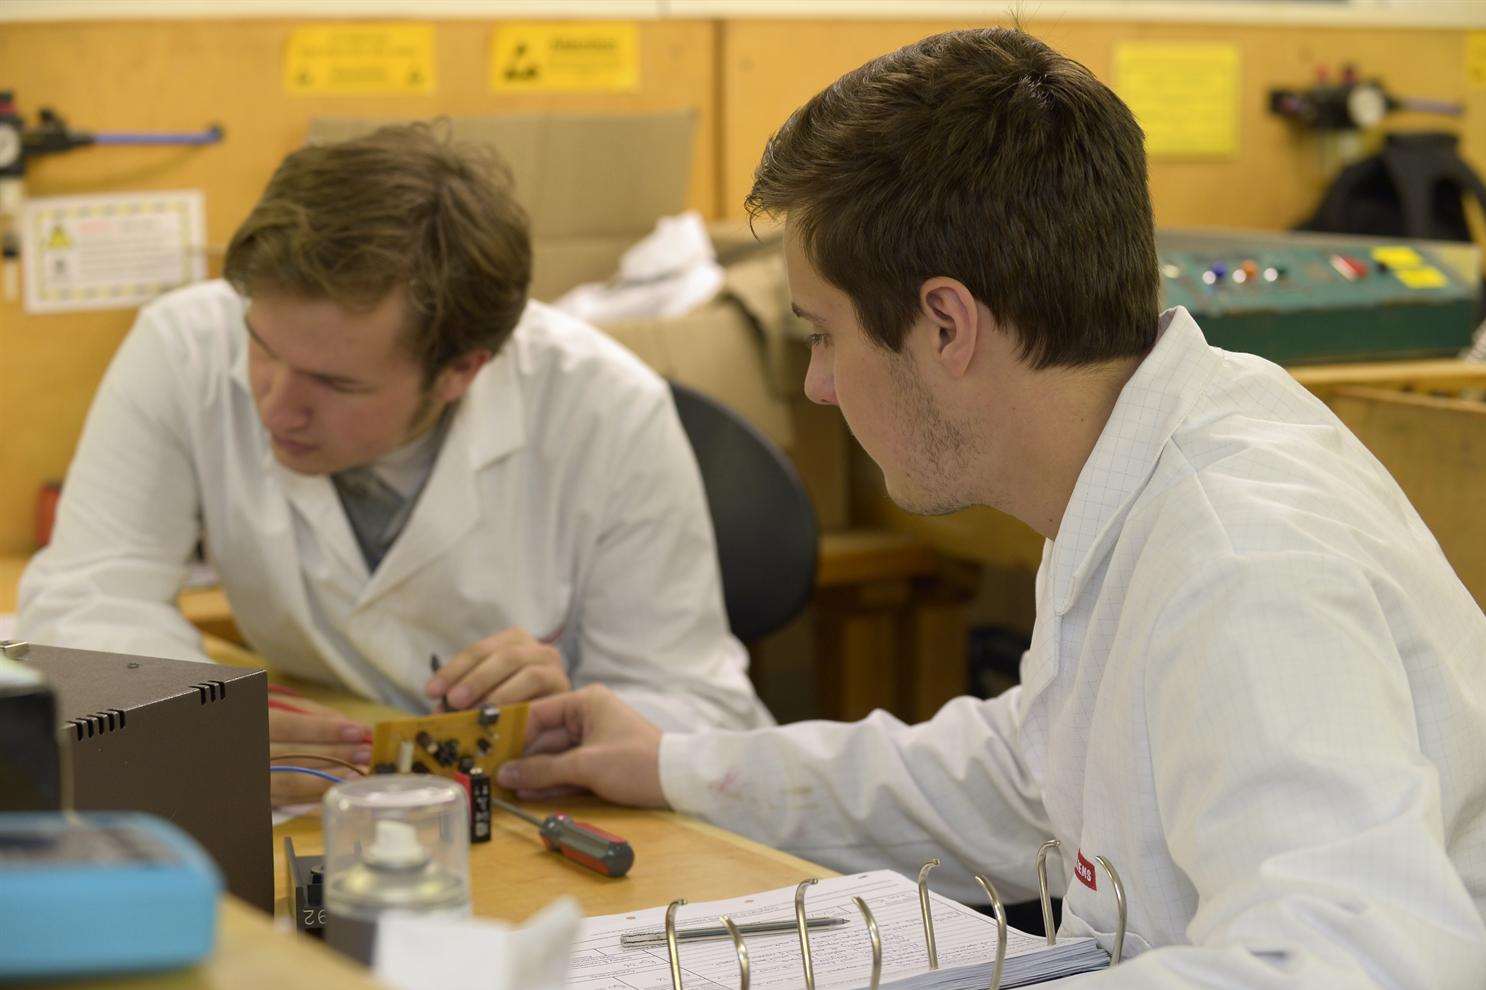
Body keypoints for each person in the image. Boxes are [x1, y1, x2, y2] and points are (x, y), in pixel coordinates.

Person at [493, 29, 1486, 988]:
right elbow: (1035, 772)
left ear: (944, 324)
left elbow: (1363, 961)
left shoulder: (1240, 565)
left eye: (824, 335)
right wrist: (677, 766)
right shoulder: (1134, 459)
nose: (819, 388)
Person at [18, 124, 771, 804]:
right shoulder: (184, 344)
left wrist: (570, 708)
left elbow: (704, 713)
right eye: (263, 349)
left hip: (530, 805)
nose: (276, 407)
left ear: (462, 372)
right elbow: (88, 593)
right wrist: (191, 716)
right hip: (333, 781)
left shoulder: (606, 410)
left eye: (337, 384)